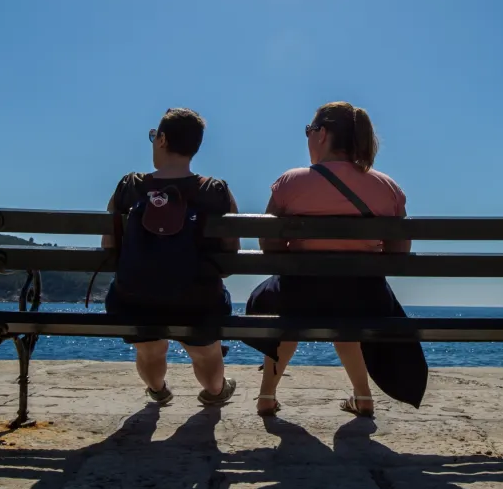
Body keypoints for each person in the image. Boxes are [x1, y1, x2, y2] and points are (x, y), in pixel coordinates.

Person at [246, 101, 428, 417]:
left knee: (280, 303)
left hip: (300, 296)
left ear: (322, 134)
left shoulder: (291, 182)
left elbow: (269, 247)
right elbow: (399, 255)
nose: (306, 137)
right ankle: (363, 397)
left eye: (308, 130)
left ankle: (266, 396)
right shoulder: (388, 188)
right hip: (364, 300)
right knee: (346, 306)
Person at [102, 107, 238, 407]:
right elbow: (230, 258)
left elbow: (108, 249)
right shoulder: (215, 191)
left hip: (134, 300)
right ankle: (215, 391)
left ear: (162, 140)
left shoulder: (130, 187)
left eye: (154, 136)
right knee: (206, 350)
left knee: (149, 348)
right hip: (199, 302)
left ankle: (158, 390)